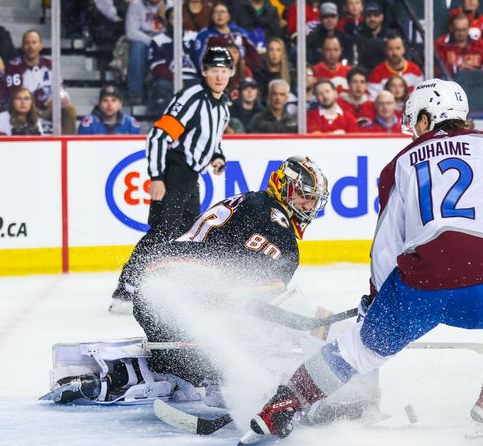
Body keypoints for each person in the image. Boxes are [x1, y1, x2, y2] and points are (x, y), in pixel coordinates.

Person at [239, 78, 483, 445]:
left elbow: (386, 248)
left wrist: (376, 301)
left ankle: (283, 405)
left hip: (421, 288)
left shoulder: (398, 165)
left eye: (415, 120)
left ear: (427, 117)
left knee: (357, 349)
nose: (413, 130)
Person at [48, 156, 329, 406]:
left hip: (158, 283)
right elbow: (256, 288)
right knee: (231, 348)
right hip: (184, 287)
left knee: (185, 353)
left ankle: (146, 373)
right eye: (304, 196)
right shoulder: (274, 219)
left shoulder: (252, 201)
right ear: (284, 189)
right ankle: (210, 380)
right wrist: (296, 323)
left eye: (313, 200)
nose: (308, 205)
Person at [109, 47, 233, 313]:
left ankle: (172, 285)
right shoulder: (192, 98)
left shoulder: (223, 104)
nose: (219, 76)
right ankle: (126, 289)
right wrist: (156, 177)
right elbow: (158, 136)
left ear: (230, 73)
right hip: (174, 174)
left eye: (224, 71)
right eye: (214, 71)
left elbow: (214, 137)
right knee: (162, 233)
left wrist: (217, 156)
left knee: (188, 235)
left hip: (191, 178)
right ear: (204, 72)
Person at [6, 30, 77, 135]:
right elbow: (15, 96)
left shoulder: (50, 64)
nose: (30, 47)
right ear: (22, 46)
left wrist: (60, 99)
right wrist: (44, 104)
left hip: (47, 109)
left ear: (41, 45)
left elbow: (60, 88)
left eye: (34, 43)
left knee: (69, 110)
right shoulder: (14, 66)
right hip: (27, 110)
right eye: (27, 43)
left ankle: (65, 145)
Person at [126, 0, 166, 104]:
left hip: (163, 39)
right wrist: (153, 42)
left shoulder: (169, 4)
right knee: (137, 48)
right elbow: (131, 32)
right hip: (143, 39)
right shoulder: (136, 4)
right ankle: (135, 93)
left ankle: (163, 93)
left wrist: (163, 17)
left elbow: (174, 29)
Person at [435, 11, 483, 77]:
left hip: (476, 81)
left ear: (468, 28)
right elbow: (437, 68)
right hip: (452, 83)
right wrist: (456, 69)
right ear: (451, 28)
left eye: (464, 30)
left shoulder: (478, 43)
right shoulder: (441, 44)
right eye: (458, 30)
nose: (461, 33)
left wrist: (478, 70)